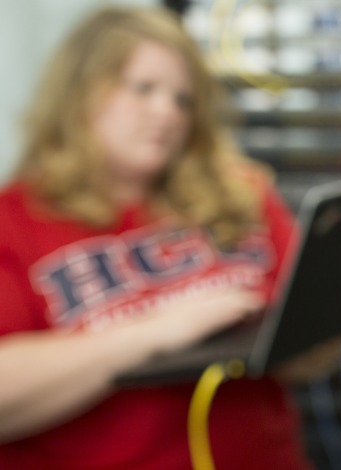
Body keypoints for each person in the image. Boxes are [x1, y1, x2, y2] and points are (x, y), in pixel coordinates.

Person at [0, 6, 311, 469]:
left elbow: (307, 352)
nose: (166, 112)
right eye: (143, 89)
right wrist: (159, 332)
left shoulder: (241, 195)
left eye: (183, 100)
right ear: (80, 92)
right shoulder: (16, 220)